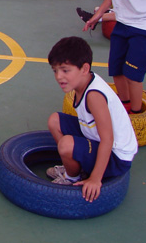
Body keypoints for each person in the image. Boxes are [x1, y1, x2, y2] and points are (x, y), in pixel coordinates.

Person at [46, 36, 138, 202]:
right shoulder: (82, 84)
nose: (59, 76)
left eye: (65, 70)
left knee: (66, 144)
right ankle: (74, 168)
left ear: (84, 68)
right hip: (94, 137)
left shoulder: (94, 96)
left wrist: (95, 178)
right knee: (54, 120)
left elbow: (108, 138)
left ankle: (71, 178)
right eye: (55, 71)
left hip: (116, 157)